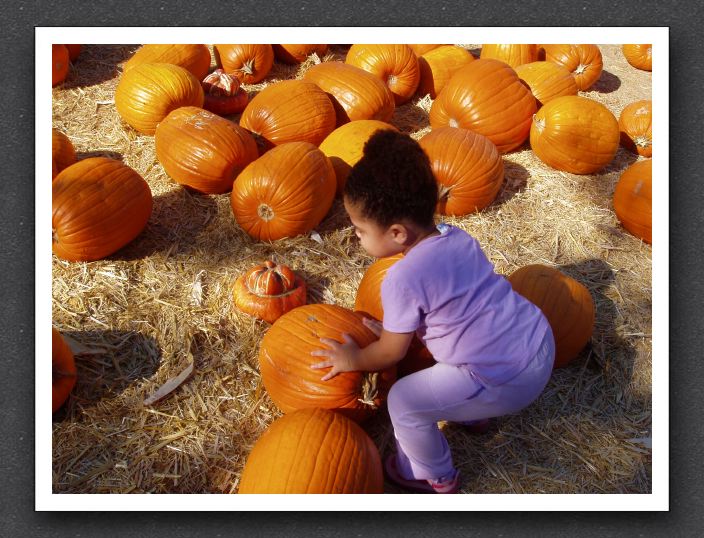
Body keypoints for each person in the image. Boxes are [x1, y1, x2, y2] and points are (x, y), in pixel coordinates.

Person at [310, 130, 555, 494]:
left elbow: (391, 353)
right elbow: (454, 309)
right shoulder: (457, 237)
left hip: (508, 379)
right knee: (457, 355)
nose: (355, 237)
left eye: (360, 229)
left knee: (405, 402)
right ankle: (475, 414)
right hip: (539, 341)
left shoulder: (402, 278)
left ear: (396, 233)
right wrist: (392, 328)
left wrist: (354, 358)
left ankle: (432, 475)